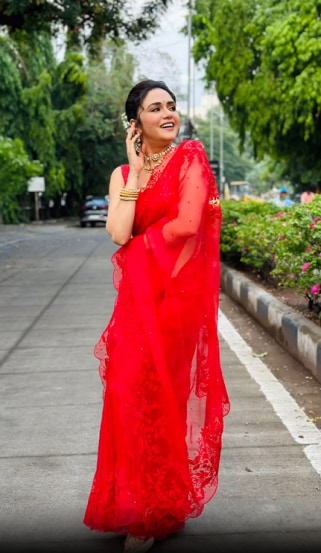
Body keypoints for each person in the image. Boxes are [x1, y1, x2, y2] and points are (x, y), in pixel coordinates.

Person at [83, 79, 230, 553]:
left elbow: (189, 225)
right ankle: (151, 502)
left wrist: (146, 254)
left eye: (171, 105)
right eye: (155, 107)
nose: (168, 113)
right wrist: (135, 176)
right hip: (136, 303)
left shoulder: (190, 158)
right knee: (127, 396)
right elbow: (117, 233)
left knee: (159, 397)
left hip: (175, 303)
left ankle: (151, 516)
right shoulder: (123, 174)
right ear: (137, 121)